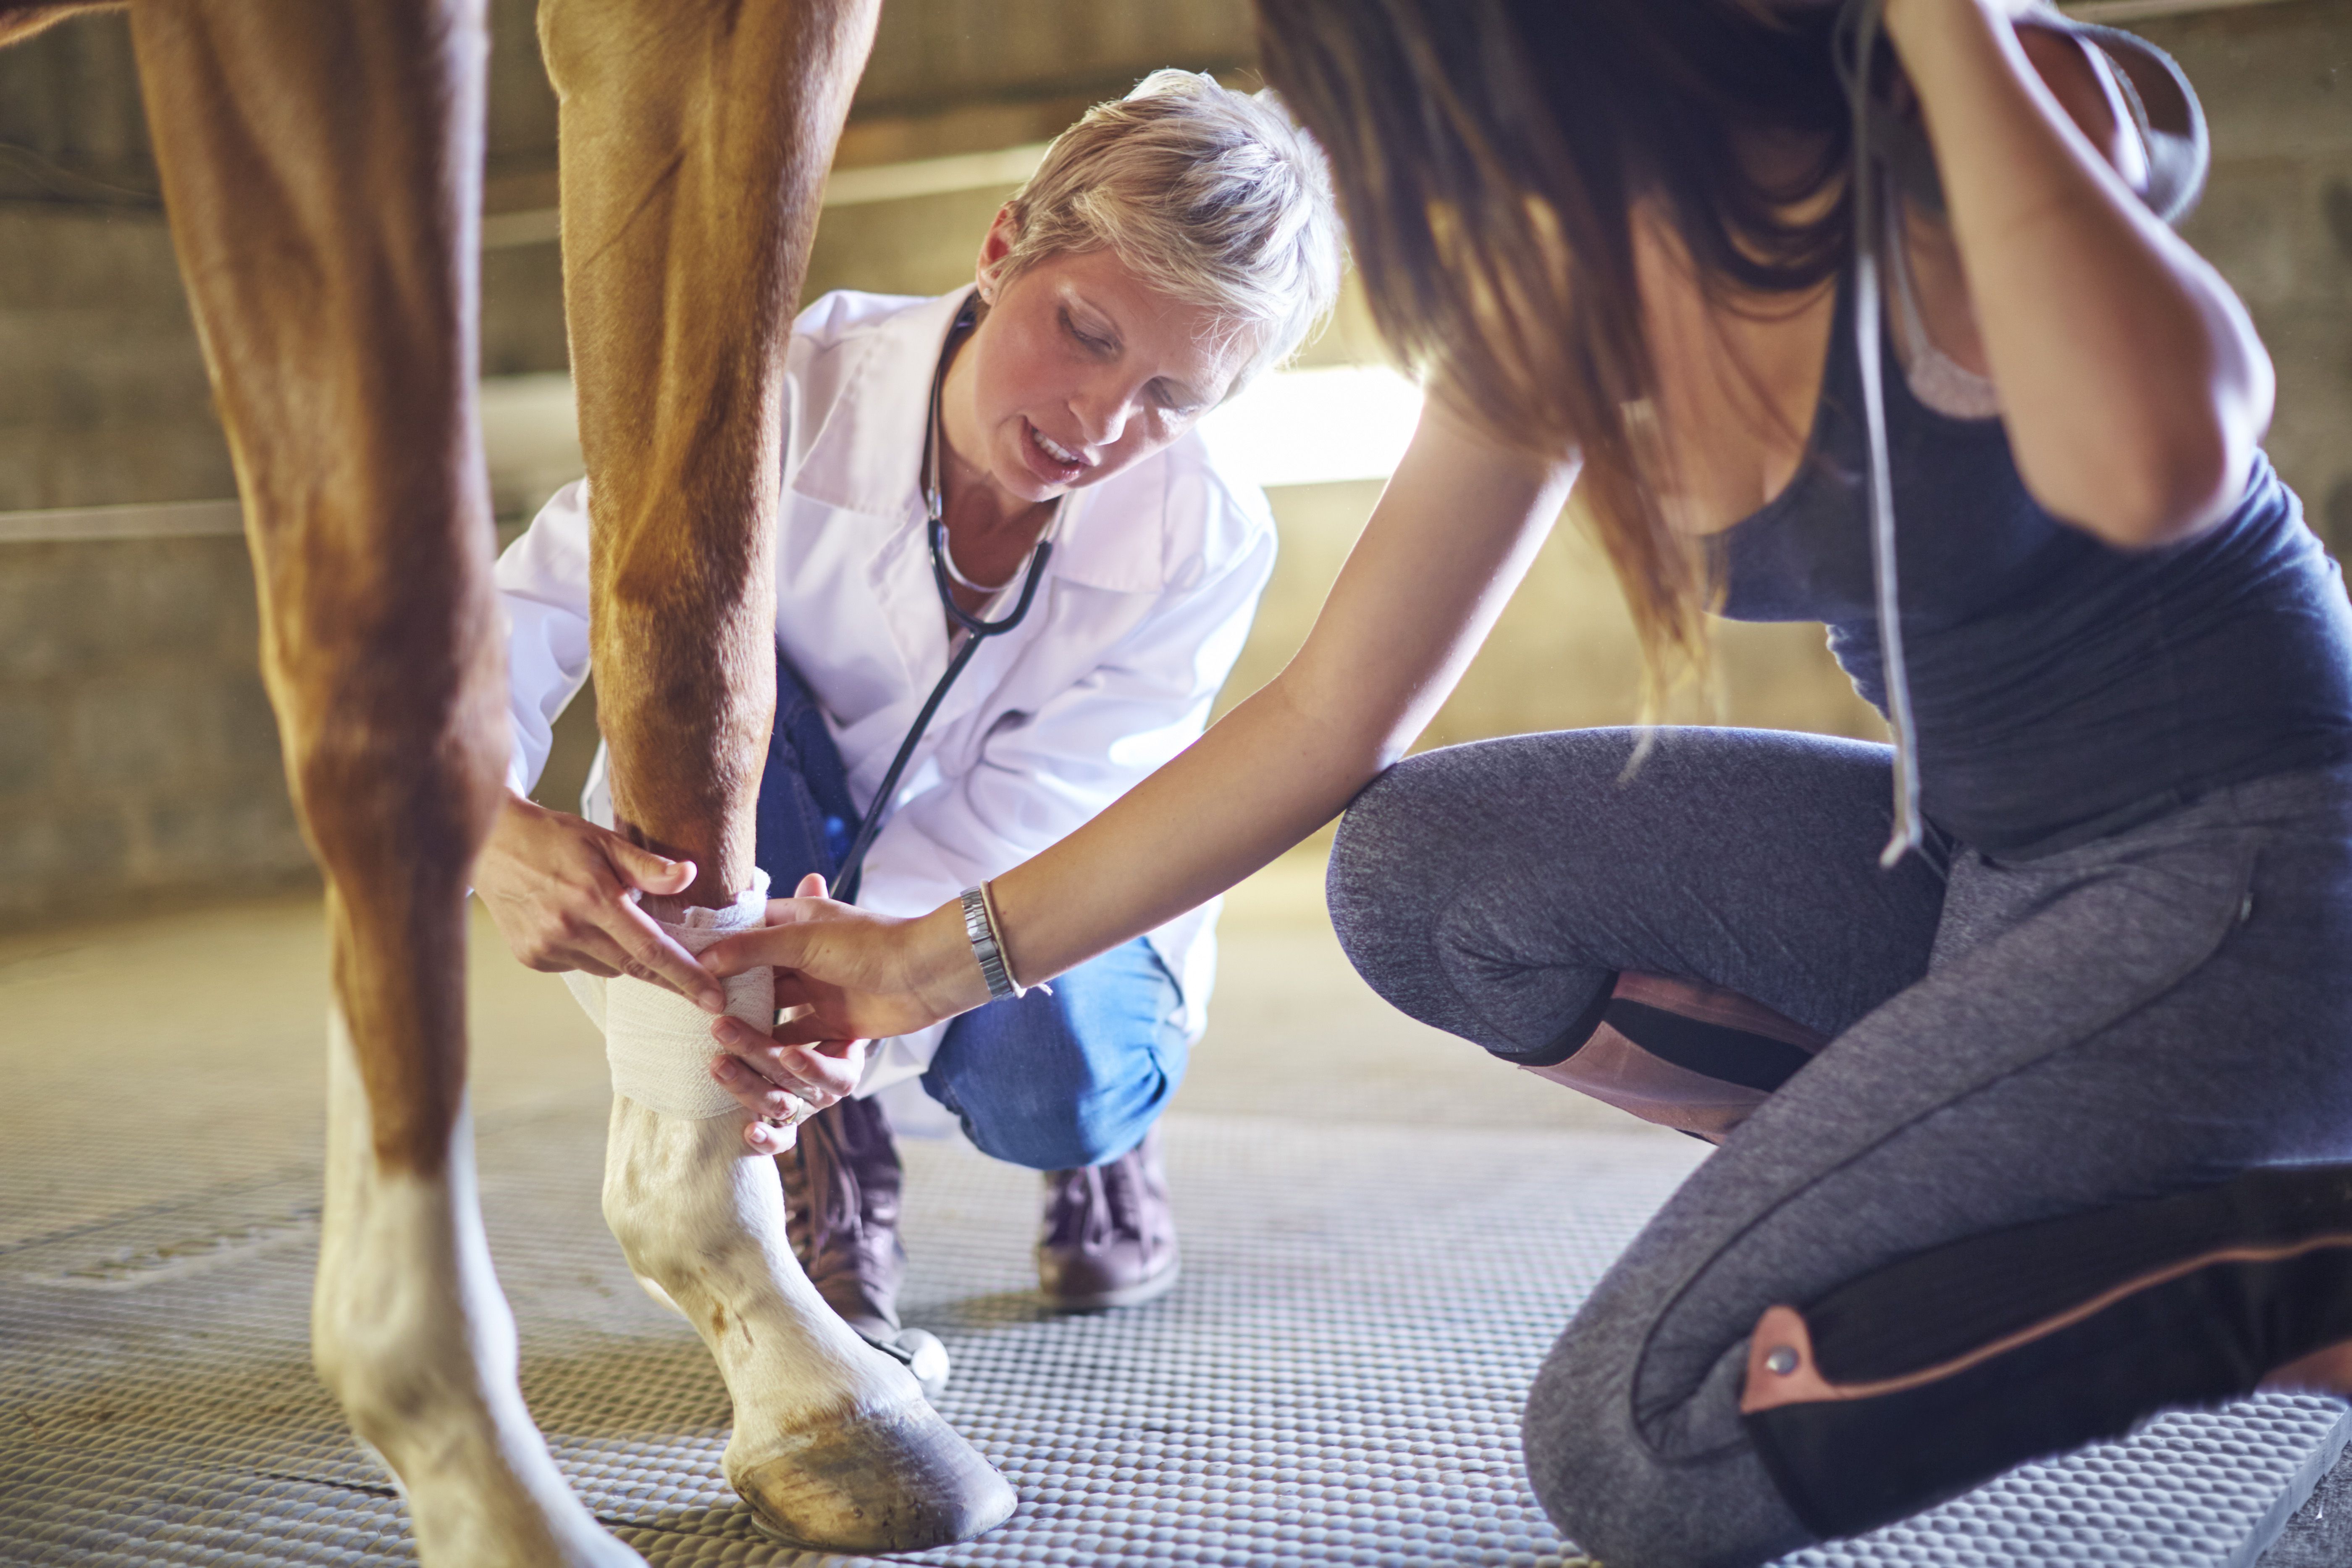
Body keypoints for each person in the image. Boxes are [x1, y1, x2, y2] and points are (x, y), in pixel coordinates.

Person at [698, 1, 2352, 1562]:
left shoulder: (1934, 112)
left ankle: (2290, 1261)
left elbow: (2161, 458)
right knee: (1419, 870)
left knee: (1633, 1447)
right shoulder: (1543, 275)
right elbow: (1324, 717)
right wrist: (914, 961)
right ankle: (1963, 1164)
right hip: (1984, 866)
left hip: (2249, 863)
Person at [475, 69, 1342, 1379]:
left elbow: (1041, 815)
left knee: (1048, 1079)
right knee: (697, 671)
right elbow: (532, 609)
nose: (1102, 427)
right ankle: (830, 1152)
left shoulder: (1206, 529)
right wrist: (479, 823)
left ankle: (1097, 1149)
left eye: (1173, 396)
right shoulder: (778, 392)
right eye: (1090, 333)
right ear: (1003, 249)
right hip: (793, 836)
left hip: (1023, 887)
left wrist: (844, 1004)